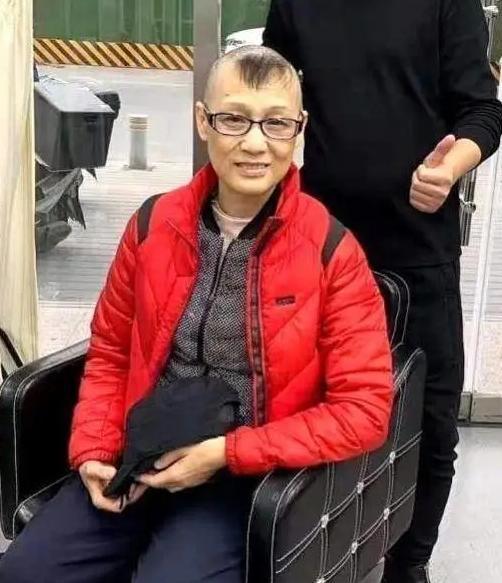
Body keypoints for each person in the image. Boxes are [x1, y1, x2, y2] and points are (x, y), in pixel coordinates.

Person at [0, 46, 393, 583]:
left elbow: (365, 409)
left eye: (276, 123)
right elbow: (111, 352)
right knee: (24, 572)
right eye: (233, 119)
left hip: (243, 475)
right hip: (141, 450)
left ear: (299, 131)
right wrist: (93, 447)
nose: (254, 142)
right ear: (203, 121)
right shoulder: (152, 225)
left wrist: (227, 453)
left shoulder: (332, 252)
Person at [263, 1, 502, 582]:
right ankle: (314, 555)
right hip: (320, 249)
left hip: (419, 251)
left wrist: (450, 169)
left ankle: (409, 563)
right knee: (310, 406)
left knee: (431, 422)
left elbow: (482, 110)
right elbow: (269, 90)